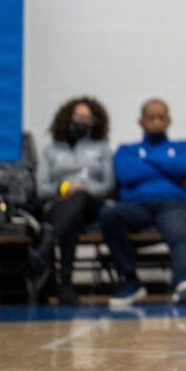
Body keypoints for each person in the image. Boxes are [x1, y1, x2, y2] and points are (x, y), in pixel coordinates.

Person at [100, 99, 186, 307]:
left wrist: (148, 160)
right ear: (141, 122)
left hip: (171, 203)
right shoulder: (126, 150)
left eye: (161, 117)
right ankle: (131, 281)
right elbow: (126, 174)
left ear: (169, 120)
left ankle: (184, 283)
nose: (156, 122)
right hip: (136, 206)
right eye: (151, 118)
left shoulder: (183, 146)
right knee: (109, 216)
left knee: (178, 231)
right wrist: (169, 167)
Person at [36, 96, 115, 306]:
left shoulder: (103, 148)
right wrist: (64, 188)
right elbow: (41, 188)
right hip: (60, 203)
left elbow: (108, 186)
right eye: (79, 116)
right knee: (71, 219)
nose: (83, 121)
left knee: (78, 199)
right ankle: (66, 288)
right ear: (67, 117)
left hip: (93, 204)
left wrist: (84, 188)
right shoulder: (50, 150)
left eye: (88, 118)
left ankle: (48, 243)